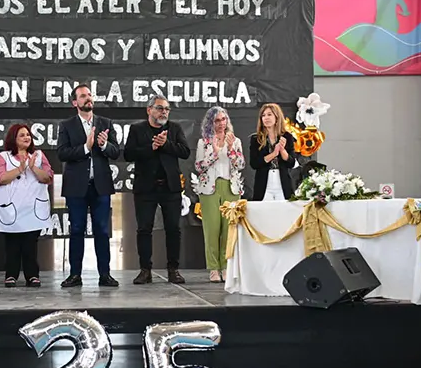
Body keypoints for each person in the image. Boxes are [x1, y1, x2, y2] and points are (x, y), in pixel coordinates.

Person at [57, 84, 120, 288]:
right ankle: (75, 274)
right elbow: (62, 153)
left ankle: (105, 274)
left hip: (100, 185)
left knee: (102, 230)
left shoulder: (105, 123)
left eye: (90, 95)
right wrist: (86, 147)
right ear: (75, 102)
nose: (88, 99)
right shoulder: (66, 125)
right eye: (83, 96)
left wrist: (103, 145)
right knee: (76, 230)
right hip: (76, 187)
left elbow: (116, 152)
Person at [124, 95, 190, 285]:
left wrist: (165, 144)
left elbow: (185, 152)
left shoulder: (174, 128)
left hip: (170, 187)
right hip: (146, 188)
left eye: (167, 109)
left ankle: (173, 270)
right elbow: (128, 154)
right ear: (149, 110)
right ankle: (145, 270)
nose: (164, 112)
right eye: (160, 108)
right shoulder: (137, 129)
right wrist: (151, 146)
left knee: (173, 229)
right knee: (144, 229)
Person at [0, 124, 54, 287]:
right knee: (12, 245)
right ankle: (10, 275)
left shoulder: (39, 156)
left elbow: (47, 178)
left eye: (28, 135)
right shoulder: (3, 157)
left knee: (30, 245)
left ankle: (32, 275)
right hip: (11, 211)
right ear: (14, 139)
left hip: (32, 210)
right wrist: (20, 168)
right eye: (22, 135)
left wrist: (32, 167)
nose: (27, 137)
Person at [194, 106, 245, 283]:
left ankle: (226, 267)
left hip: (231, 188)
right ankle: (214, 268)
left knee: (228, 230)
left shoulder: (235, 141)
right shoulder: (203, 142)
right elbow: (199, 167)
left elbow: (240, 165)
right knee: (212, 230)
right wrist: (214, 153)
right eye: (217, 120)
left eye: (223, 119)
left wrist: (231, 149)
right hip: (209, 189)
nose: (221, 123)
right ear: (210, 122)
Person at [249, 103, 296, 202]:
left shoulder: (287, 137)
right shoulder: (256, 139)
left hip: (282, 182)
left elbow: (291, 163)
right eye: (263, 115)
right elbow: (254, 163)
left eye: (269, 114)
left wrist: (282, 150)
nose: (266, 118)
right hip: (264, 183)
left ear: (277, 117)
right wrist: (273, 154)